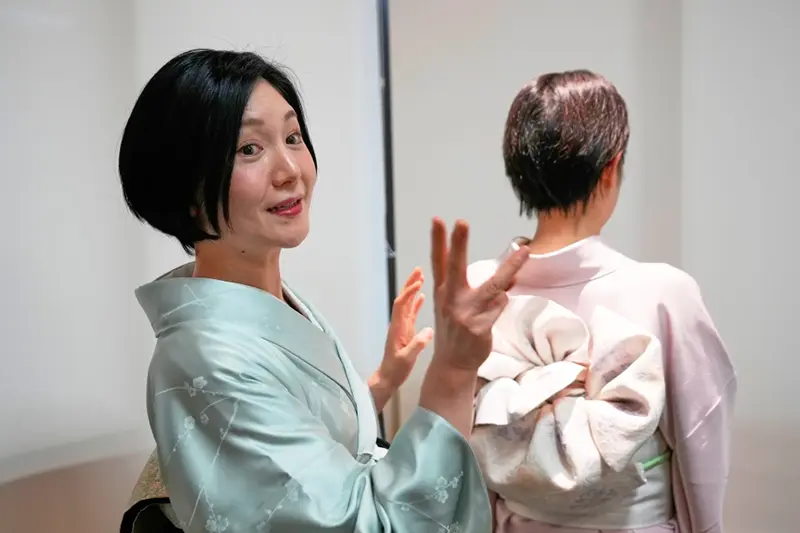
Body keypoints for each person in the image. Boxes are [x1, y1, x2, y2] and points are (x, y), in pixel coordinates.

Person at [117, 48, 529, 533]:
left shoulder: (273, 302)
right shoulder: (204, 358)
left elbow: (302, 437)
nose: (291, 168)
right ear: (186, 185)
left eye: (293, 137)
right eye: (250, 148)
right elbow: (356, 523)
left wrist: (381, 381)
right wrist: (454, 372)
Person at [467, 70, 737, 533]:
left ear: (518, 171)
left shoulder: (479, 287)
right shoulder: (665, 293)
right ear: (611, 167)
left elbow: (466, 457)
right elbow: (701, 447)